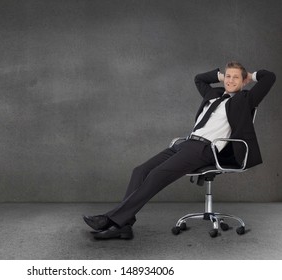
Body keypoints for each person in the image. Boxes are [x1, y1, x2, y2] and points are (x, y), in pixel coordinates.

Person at [83, 61, 276, 240]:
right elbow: (199, 78)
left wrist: (249, 75)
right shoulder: (213, 95)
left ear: (243, 81)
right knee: (140, 171)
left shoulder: (246, 99)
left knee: (157, 175)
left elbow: (270, 77)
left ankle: (111, 219)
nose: (230, 80)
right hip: (185, 143)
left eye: (236, 77)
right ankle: (123, 225)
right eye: (228, 76)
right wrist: (221, 75)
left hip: (206, 149)